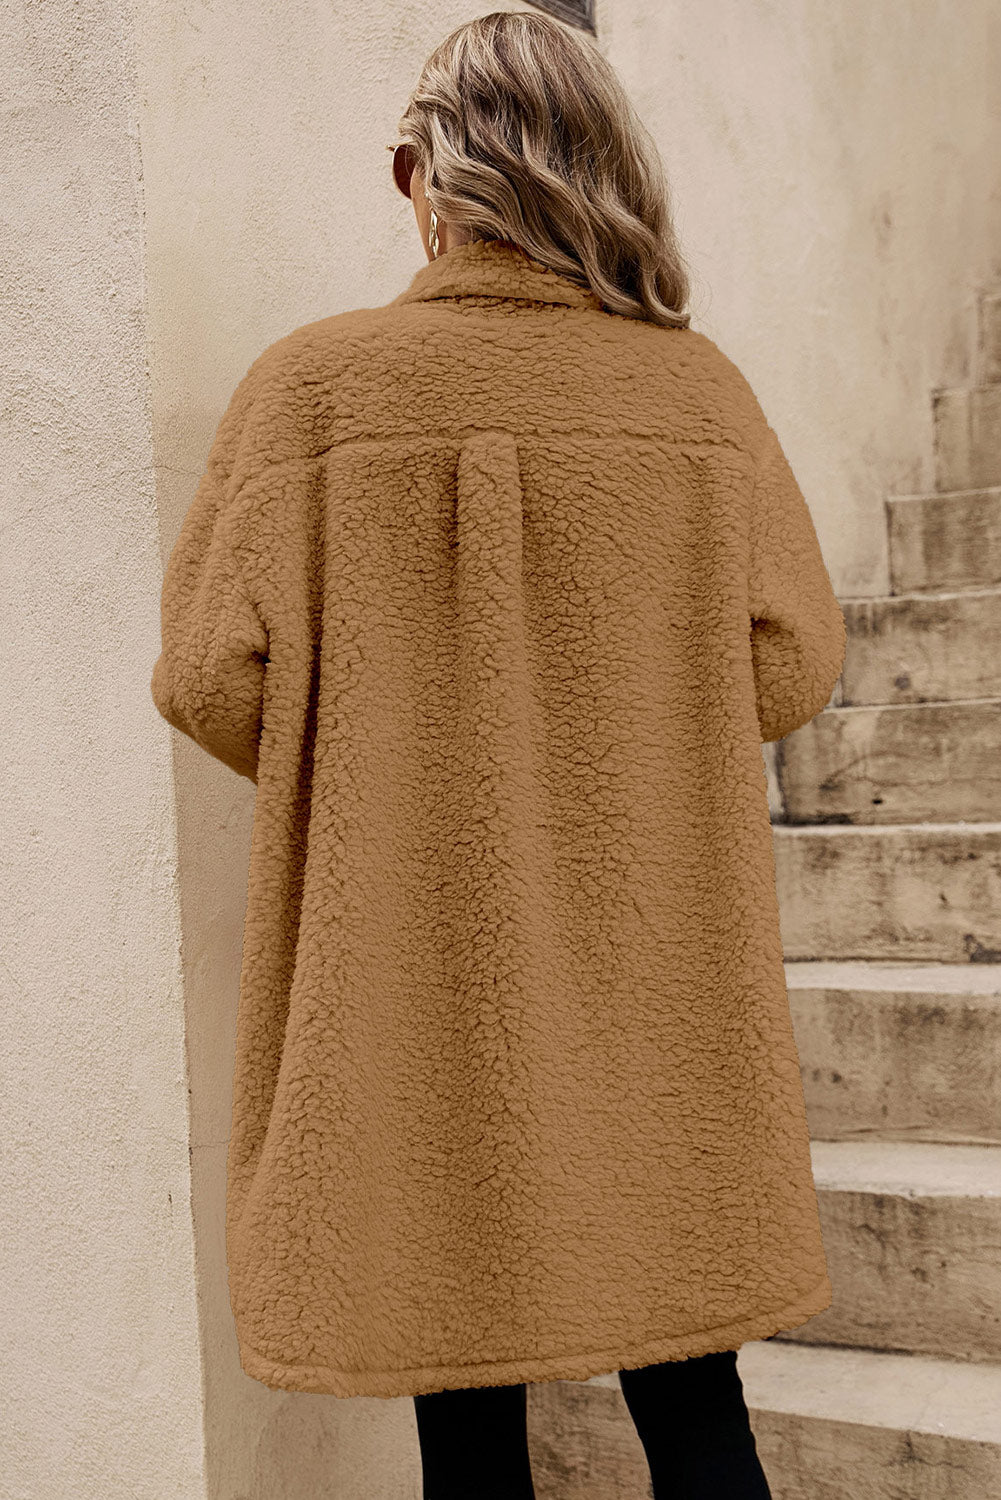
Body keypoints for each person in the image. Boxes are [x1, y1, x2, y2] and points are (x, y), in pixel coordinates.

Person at [150, 11, 845, 1499]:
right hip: (656, 982)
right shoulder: (698, 397)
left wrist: (391, 744)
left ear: (420, 176)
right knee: (695, 1405)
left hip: (411, 979)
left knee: (461, 1421)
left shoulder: (310, 393)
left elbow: (210, 675)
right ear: (605, 170)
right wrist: (632, 721)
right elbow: (790, 663)